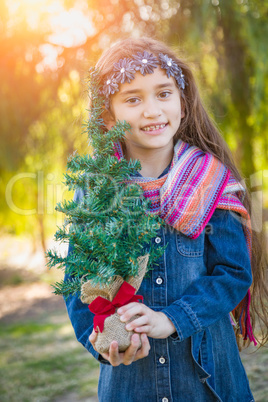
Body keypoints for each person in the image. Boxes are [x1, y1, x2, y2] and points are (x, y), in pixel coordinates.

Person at [65, 37, 268, 401]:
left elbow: (233, 273)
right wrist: (102, 343)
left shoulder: (210, 179)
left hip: (208, 382)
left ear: (182, 102)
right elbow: (77, 284)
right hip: (131, 385)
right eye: (133, 98)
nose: (152, 110)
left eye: (163, 93)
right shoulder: (97, 189)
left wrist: (172, 318)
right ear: (108, 115)